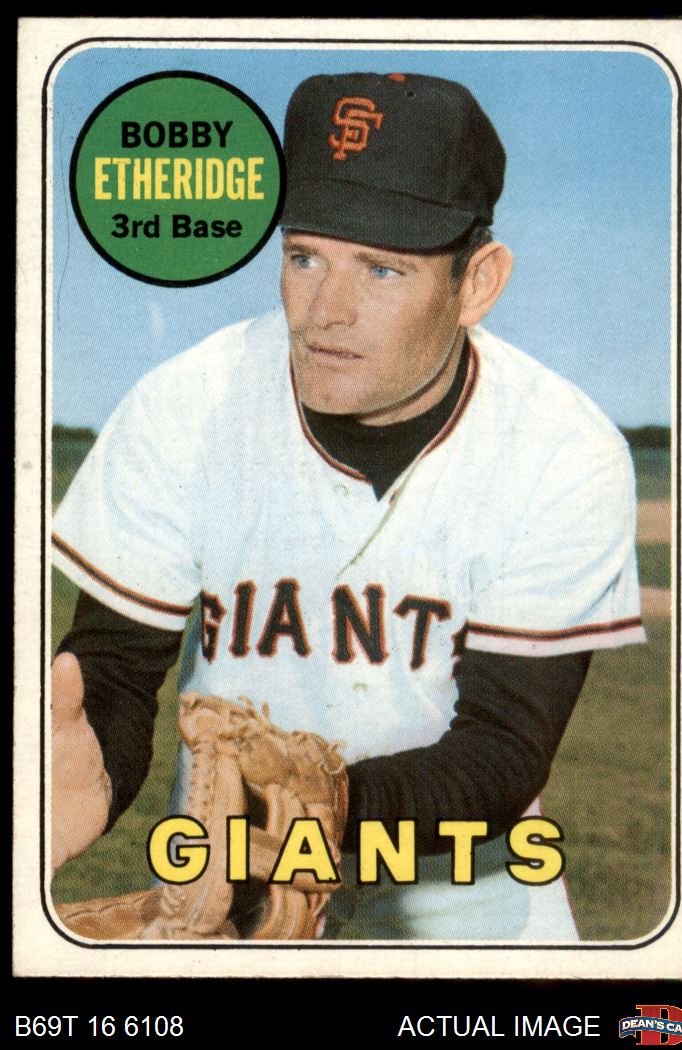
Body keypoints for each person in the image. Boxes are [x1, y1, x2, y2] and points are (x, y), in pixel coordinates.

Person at [51, 71, 645, 941]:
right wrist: (91, 773)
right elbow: (112, 672)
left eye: (382, 268)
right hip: (227, 896)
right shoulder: (187, 405)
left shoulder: (562, 445)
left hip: (472, 915)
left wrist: (321, 813)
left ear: (477, 283)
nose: (326, 312)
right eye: (305, 257)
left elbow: (504, 747)